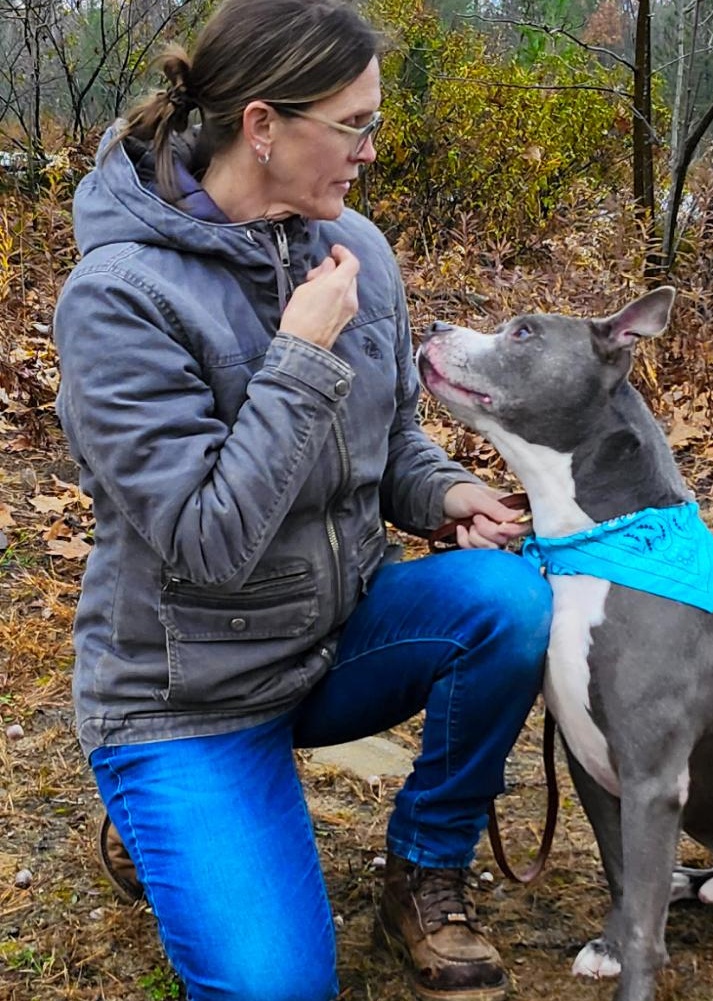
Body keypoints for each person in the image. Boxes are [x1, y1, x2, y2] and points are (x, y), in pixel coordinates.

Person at [52, 2, 552, 1000]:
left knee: (507, 602)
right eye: (354, 125)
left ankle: (424, 866)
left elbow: (391, 439)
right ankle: (171, 812)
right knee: (273, 986)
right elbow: (206, 542)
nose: (371, 151)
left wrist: (446, 492)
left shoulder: (352, 245)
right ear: (262, 126)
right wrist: (298, 353)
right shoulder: (119, 296)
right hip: (187, 695)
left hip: (333, 637)